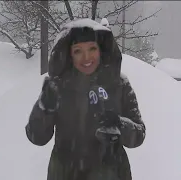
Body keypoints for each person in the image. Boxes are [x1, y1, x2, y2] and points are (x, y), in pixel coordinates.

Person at [25, 18, 146, 180]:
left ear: (101, 50)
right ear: (69, 54)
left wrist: (119, 124)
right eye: (78, 51)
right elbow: (37, 137)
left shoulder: (120, 84)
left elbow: (138, 136)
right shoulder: (58, 87)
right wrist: (44, 108)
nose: (86, 57)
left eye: (92, 48)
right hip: (65, 173)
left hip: (111, 173)